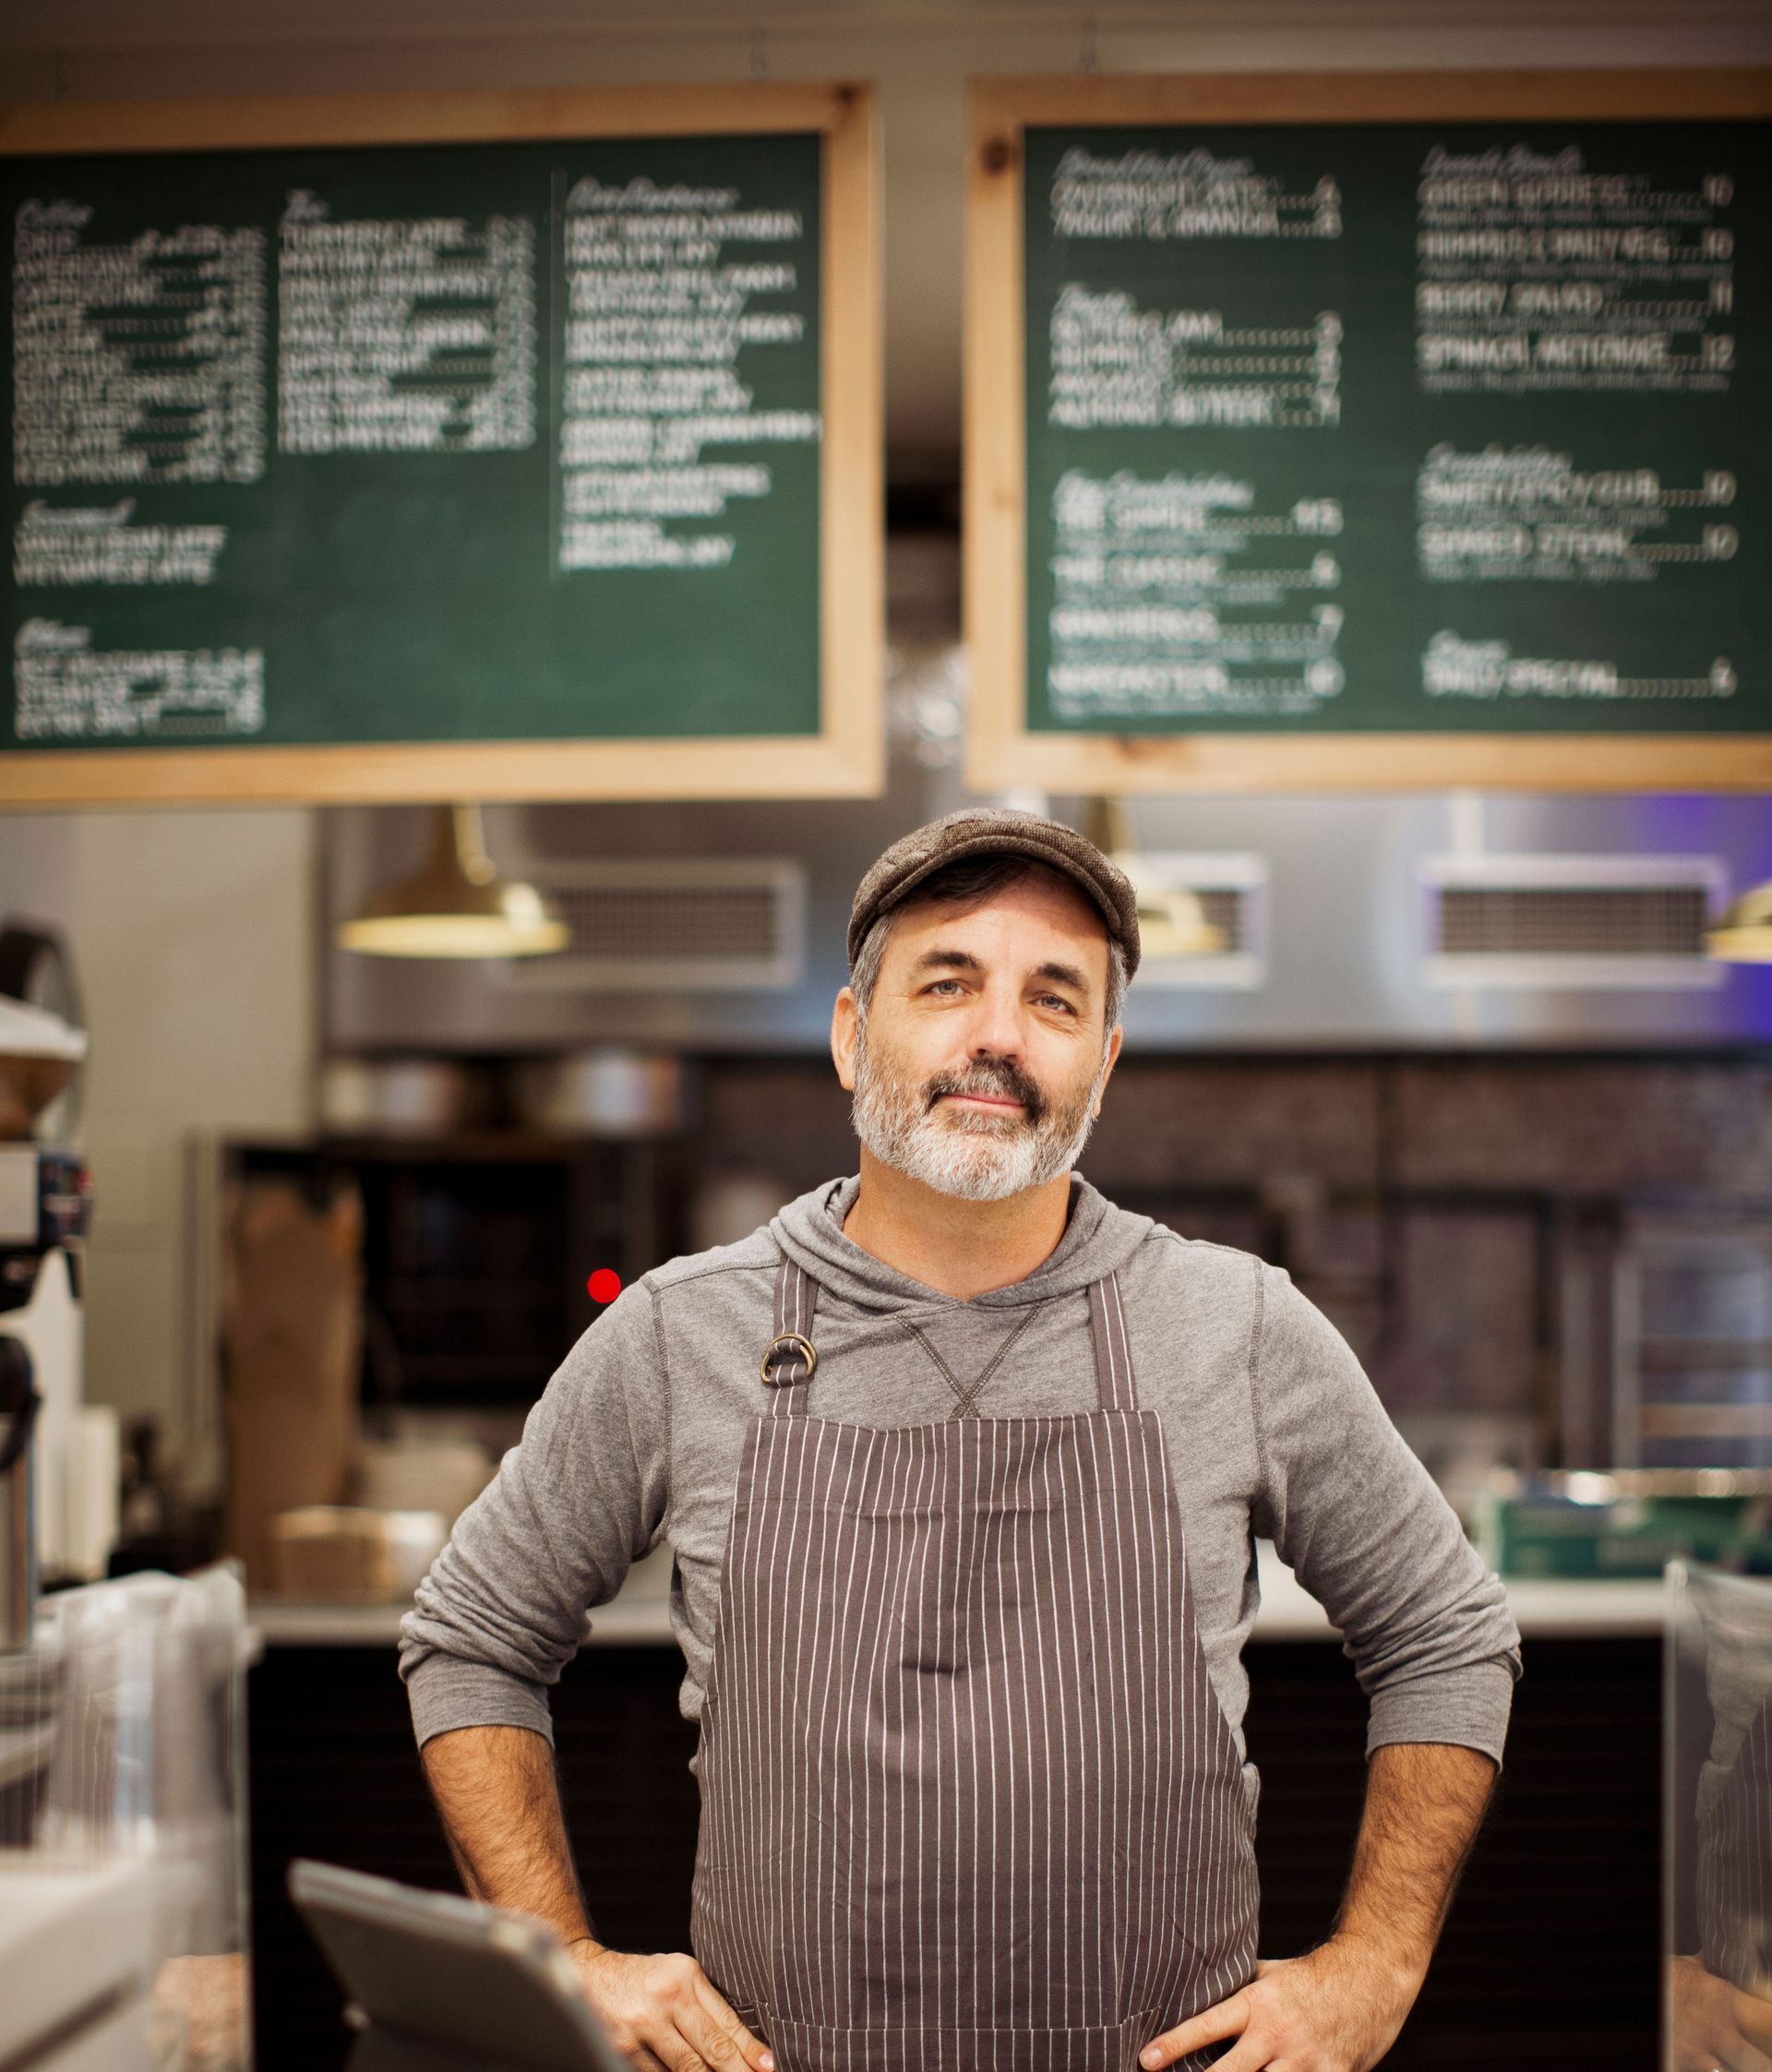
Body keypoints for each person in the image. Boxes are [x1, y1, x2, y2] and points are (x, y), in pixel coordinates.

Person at [401, 807, 1522, 2072]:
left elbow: (1448, 1634)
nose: (997, 1033)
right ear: (847, 1032)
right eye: (949, 982)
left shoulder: (1235, 1323)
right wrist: (562, 1962)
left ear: (1100, 1060)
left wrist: (1373, 1967)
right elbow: (471, 1640)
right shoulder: (681, 1332)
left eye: (1053, 999)